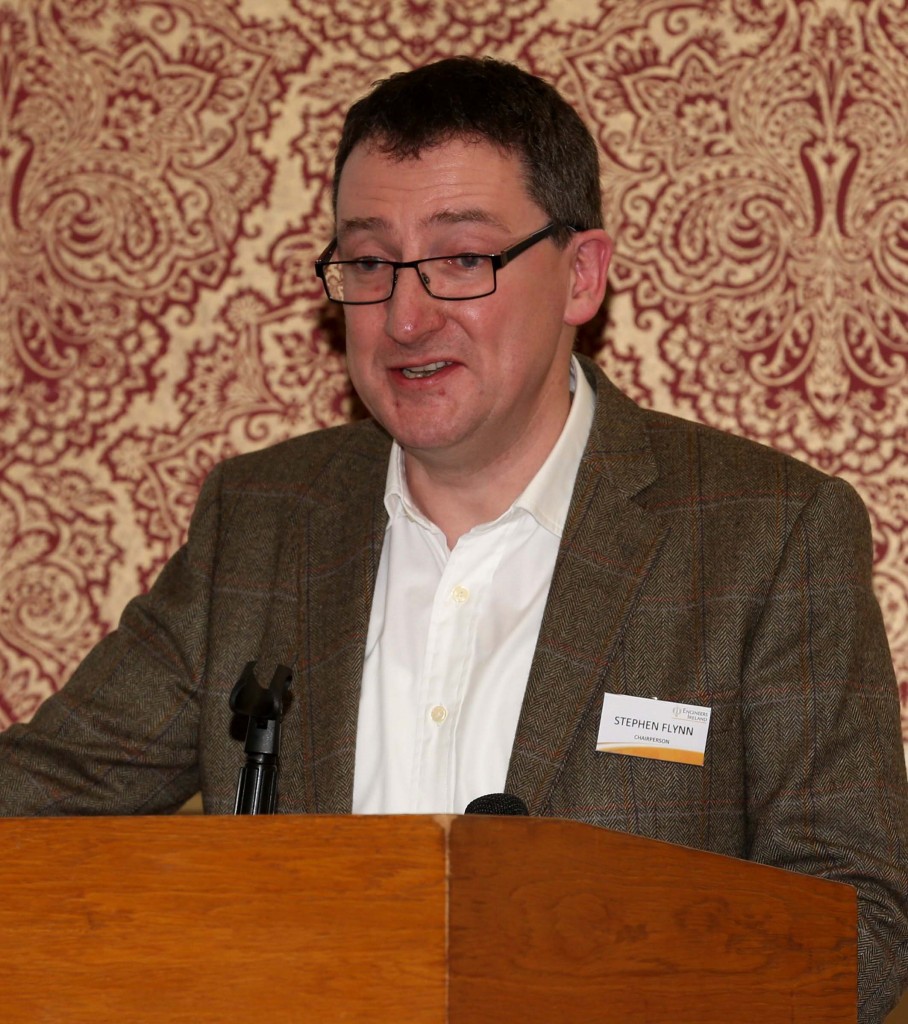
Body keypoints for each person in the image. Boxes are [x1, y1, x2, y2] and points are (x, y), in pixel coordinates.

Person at [0, 56, 906, 1020]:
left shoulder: (764, 535)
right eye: (368, 262)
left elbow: (858, 925)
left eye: (462, 260)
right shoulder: (262, 522)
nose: (403, 314)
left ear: (581, 276)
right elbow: (35, 803)